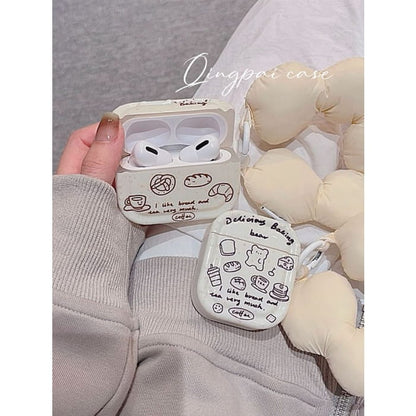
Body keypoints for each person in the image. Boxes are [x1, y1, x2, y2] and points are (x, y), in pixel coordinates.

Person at [53, 113, 352, 415]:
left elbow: (68, 376)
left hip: (185, 279)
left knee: (297, 120)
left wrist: (81, 234)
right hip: (293, 317)